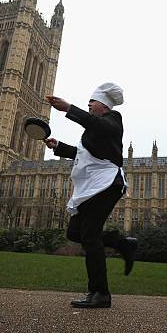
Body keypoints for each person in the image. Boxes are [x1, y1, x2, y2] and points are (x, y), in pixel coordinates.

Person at [43, 82, 137, 309]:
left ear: (103, 106)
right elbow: (82, 155)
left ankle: (100, 293)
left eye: (91, 102)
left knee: (90, 234)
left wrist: (69, 109)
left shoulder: (114, 120)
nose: (89, 105)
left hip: (106, 184)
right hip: (92, 187)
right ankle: (121, 243)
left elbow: (98, 125)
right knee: (75, 232)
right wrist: (59, 147)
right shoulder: (93, 132)